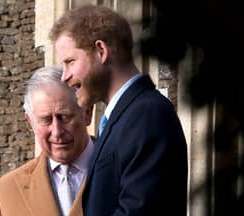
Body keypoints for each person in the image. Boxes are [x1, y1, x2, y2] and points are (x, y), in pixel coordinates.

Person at [49, 5, 188, 216]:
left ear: (101, 51)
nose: (64, 76)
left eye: (70, 62)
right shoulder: (123, 116)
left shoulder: (147, 115)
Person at [0, 66, 94, 216]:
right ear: (30, 122)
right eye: (46, 120)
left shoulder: (126, 173)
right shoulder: (6, 192)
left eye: (65, 117)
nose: (57, 131)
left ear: (87, 113)